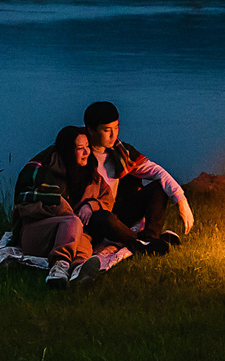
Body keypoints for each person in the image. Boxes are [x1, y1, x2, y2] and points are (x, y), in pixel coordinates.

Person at [82, 99, 194, 252]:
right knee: (103, 218)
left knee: (158, 187)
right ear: (91, 130)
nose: (113, 135)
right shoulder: (79, 153)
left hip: (116, 213)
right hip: (90, 217)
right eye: (107, 130)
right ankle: (141, 243)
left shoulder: (120, 152)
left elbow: (157, 171)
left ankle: (149, 239)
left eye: (116, 127)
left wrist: (181, 201)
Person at [12, 125, 100, 287]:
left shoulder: (89, 172)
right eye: (80, 148)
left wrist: (91, 204)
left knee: (83, 235)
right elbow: (24, 205)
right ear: (68, 151)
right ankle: (59, 266)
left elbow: (104, 196)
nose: (87, 152)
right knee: (73, 223)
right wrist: (61, 207)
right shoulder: (44, 171)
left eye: (88, 146)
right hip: (37, 235)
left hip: (71, 233)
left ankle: (79, 270)